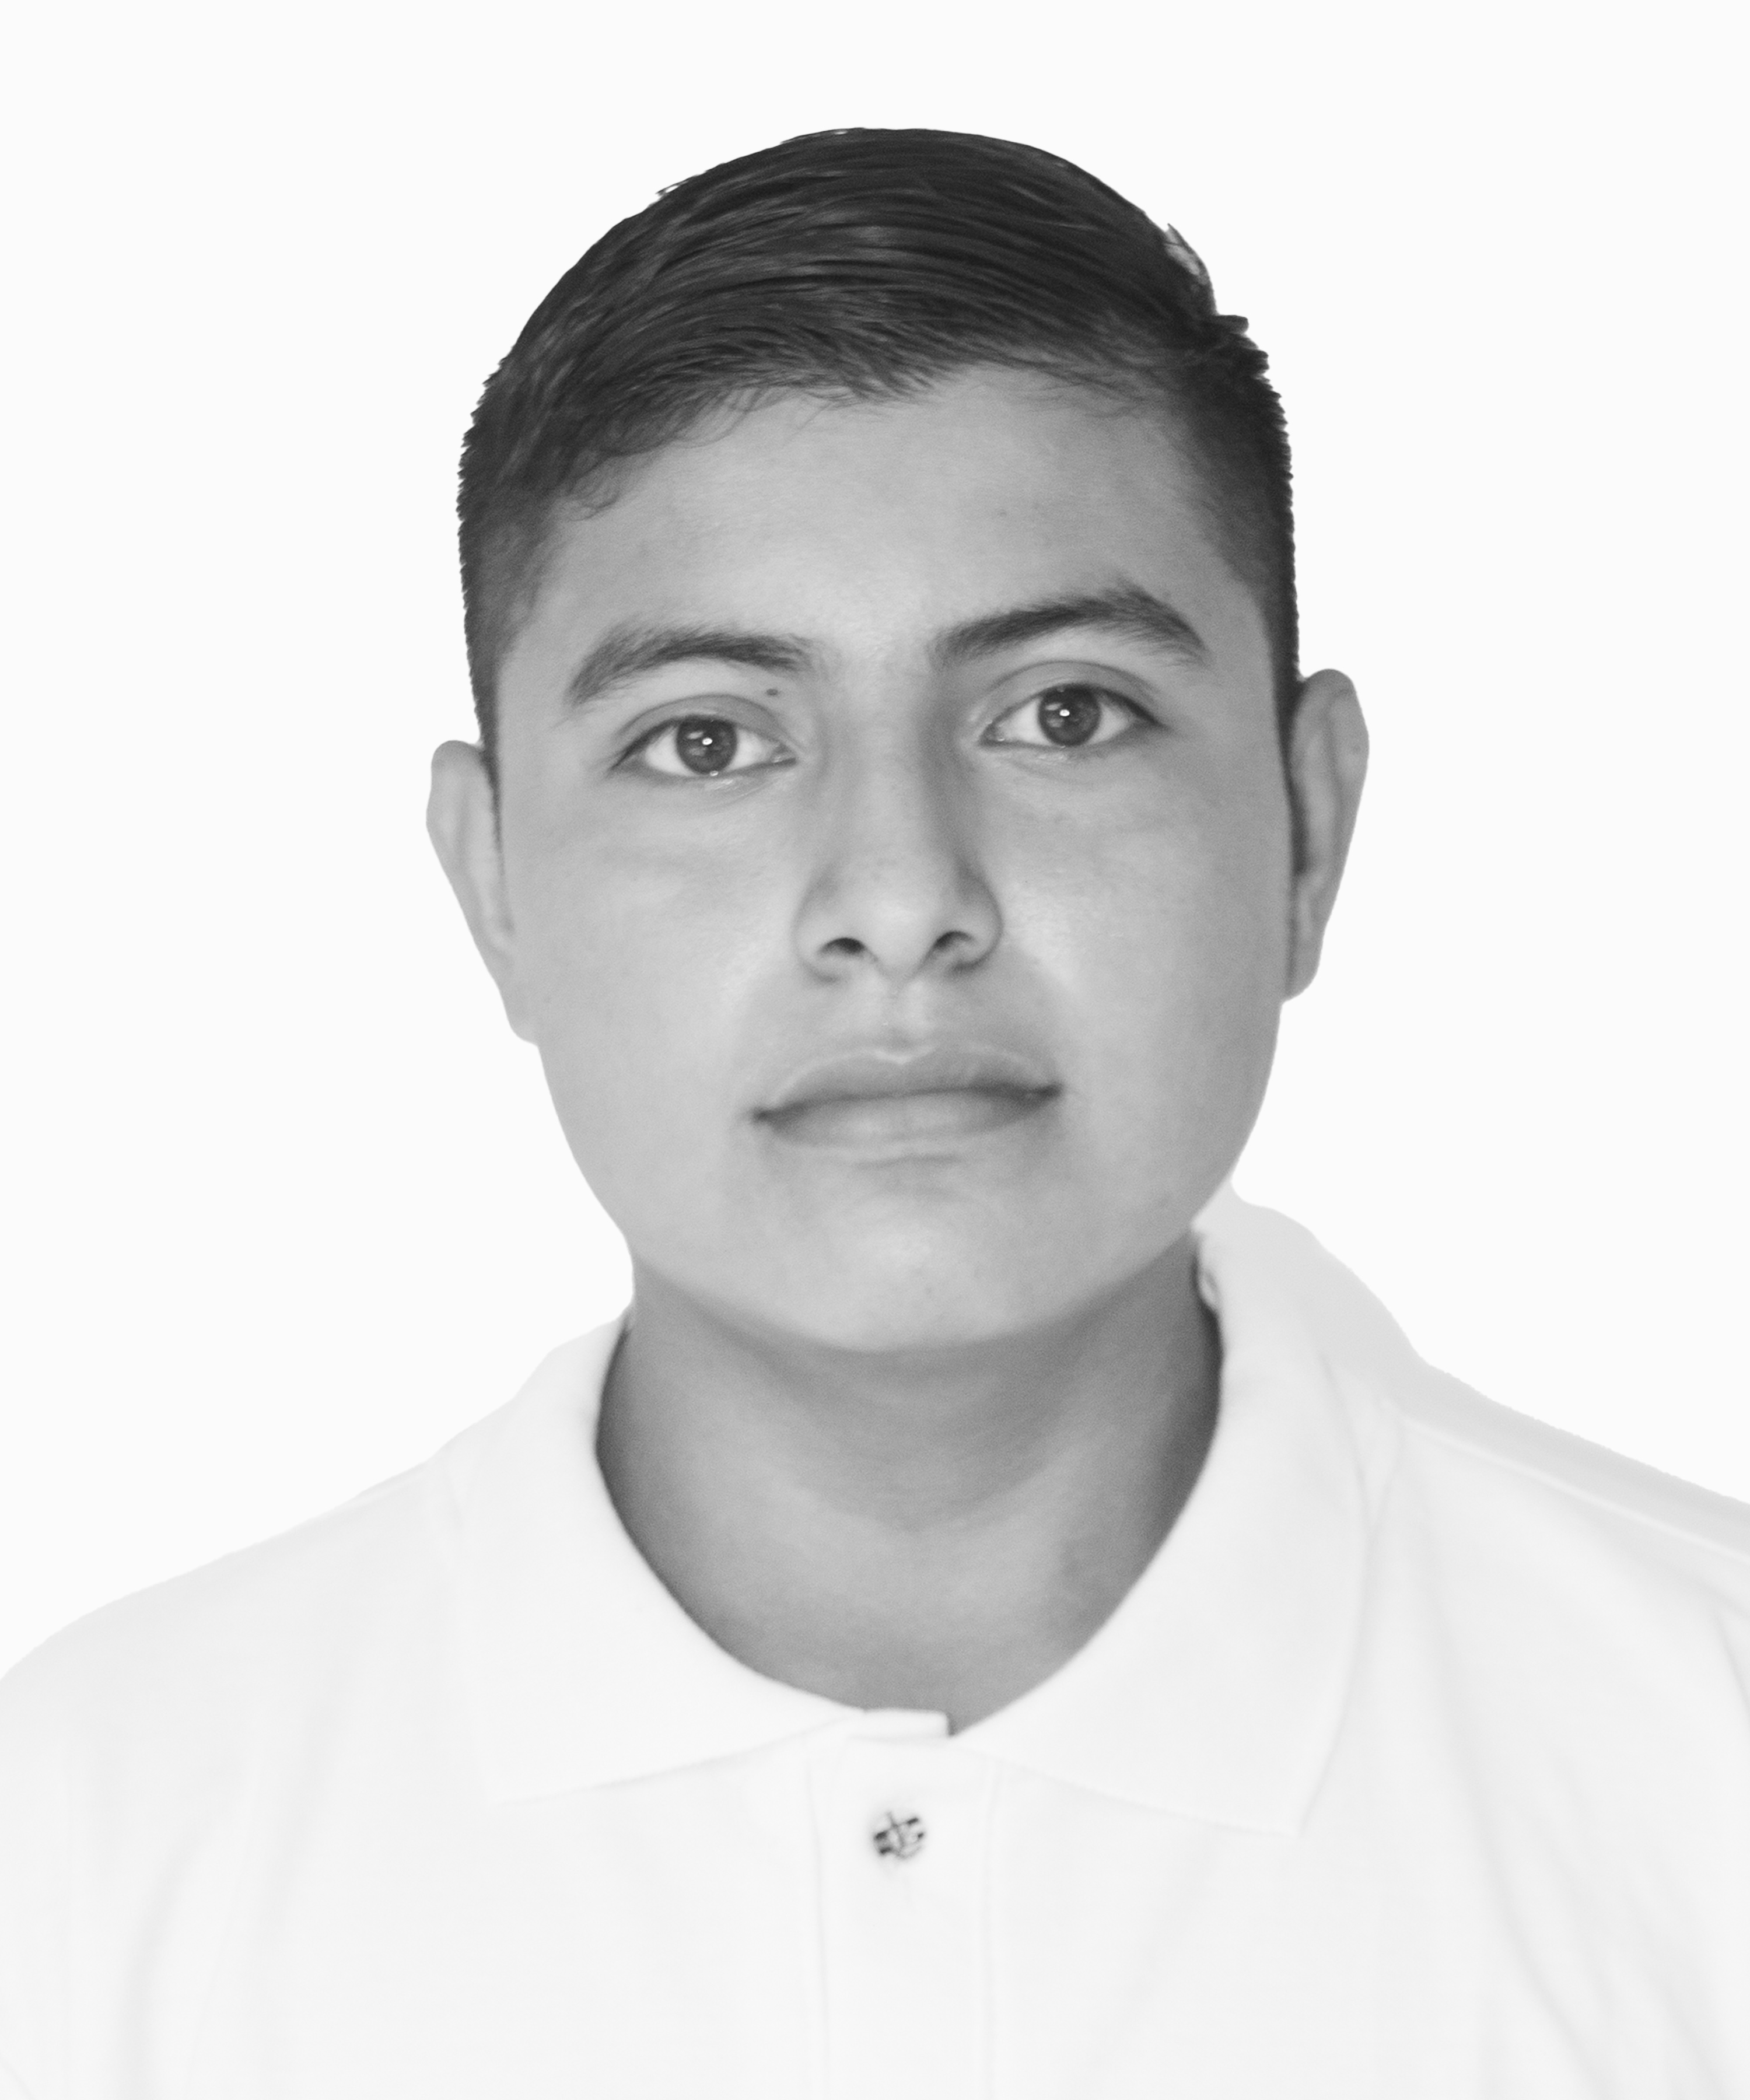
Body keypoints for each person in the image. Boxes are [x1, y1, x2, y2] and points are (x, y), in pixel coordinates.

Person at [2, 127, 1746, 2099]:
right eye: (707, 741)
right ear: (494, 883)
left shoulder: (1709, 1792)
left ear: (1308, 827)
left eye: (1064, 713)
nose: (902, 896)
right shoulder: (84, 1860)